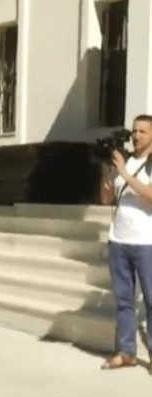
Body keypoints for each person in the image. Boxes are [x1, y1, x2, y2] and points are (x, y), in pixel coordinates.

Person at [100, 114, 152, 371]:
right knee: (123, 301)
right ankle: (127, 352)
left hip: (146, 242)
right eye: (134, 131)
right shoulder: (126, 161)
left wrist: (124, 173)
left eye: (142, 131)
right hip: (119, 239)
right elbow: (106, 200)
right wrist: (107, 176)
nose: (136, 136)